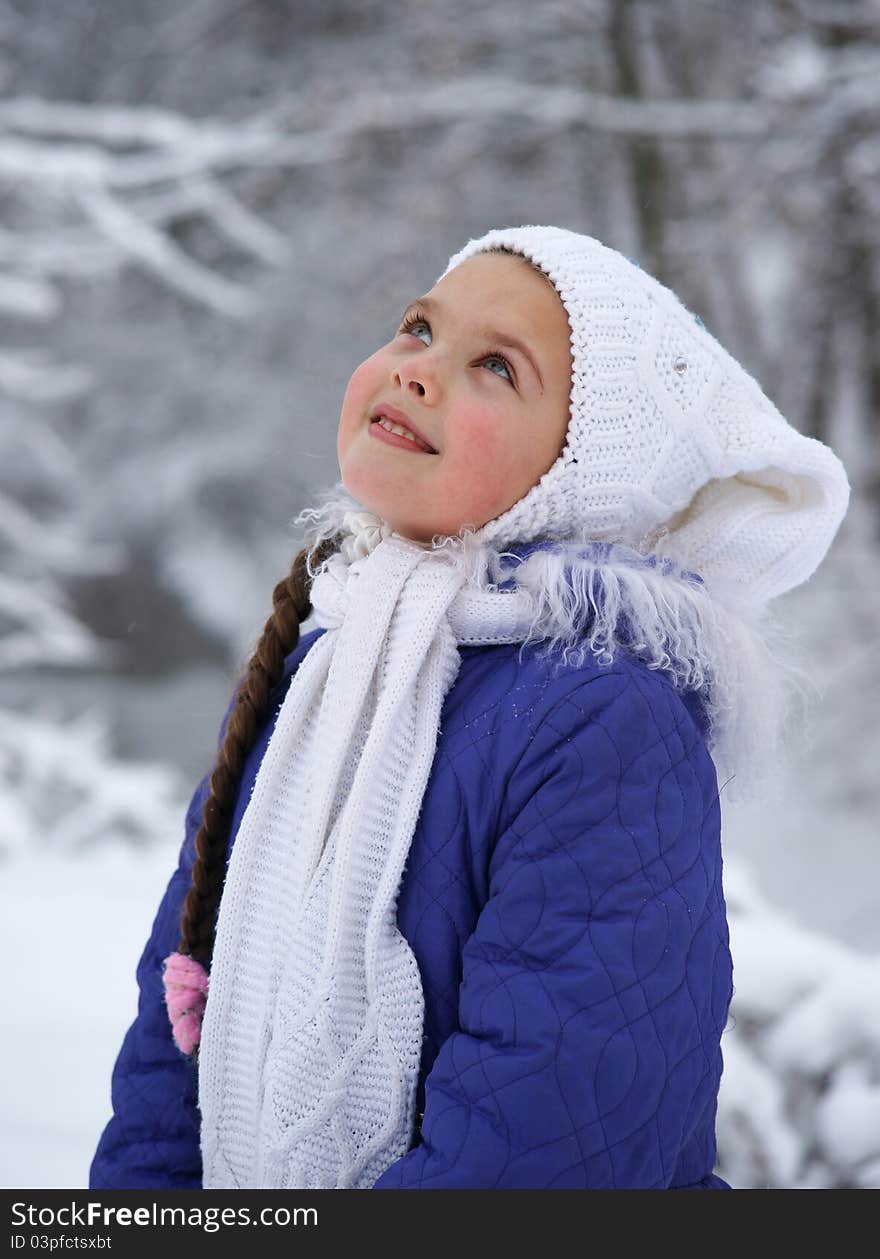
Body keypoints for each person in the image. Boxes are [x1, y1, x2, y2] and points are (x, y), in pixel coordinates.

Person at [89, 224, 850, 1190]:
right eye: (418, 327)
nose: (419, 369)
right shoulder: (318, 675)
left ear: (582, 471)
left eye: (497, 365)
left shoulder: (601, 718)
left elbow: (550, 1137)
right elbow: (173, 1046)